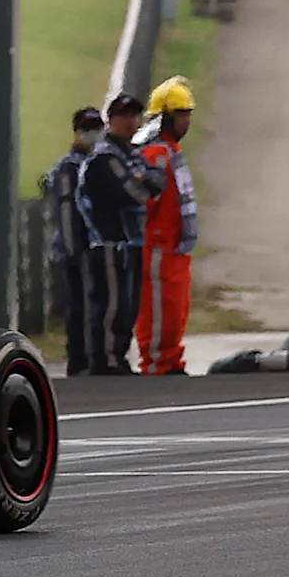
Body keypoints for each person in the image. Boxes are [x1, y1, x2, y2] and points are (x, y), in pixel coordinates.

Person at [76, 92, 158, 374]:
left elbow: (157, 180)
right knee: (112, 304)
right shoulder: (104, 157)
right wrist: (142, 181)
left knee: (128, 304)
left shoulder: (131, 153)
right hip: (108, 241)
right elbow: (135, 193)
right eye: (124, 116)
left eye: (134, 116)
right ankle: (106, 358)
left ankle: (117, 356)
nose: (131, 122)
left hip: (130, 241)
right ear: (111, 121)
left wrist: (144, 181)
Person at [136, 77, 203, 374]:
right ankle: (158, 362)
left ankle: (171, 360)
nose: (186, 121)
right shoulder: (155, 155)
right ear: (165, 117)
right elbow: (144, 204)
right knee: (159, 312)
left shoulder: (171, 152)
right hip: (159, 248)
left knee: (176, 311)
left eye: (188, 114)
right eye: (181, 115)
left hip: (175, 248)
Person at [41, 106, 103, 367]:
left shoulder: (98, 161)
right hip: (75, 248)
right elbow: (65, 210)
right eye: (87, 129)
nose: (92, 134)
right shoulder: (69, 166)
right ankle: (78, 359)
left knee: (94, 305)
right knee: (79, 306)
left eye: (96, 127)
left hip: (94, 245)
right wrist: (73, 249)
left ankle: (91, 355)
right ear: (77, 132)